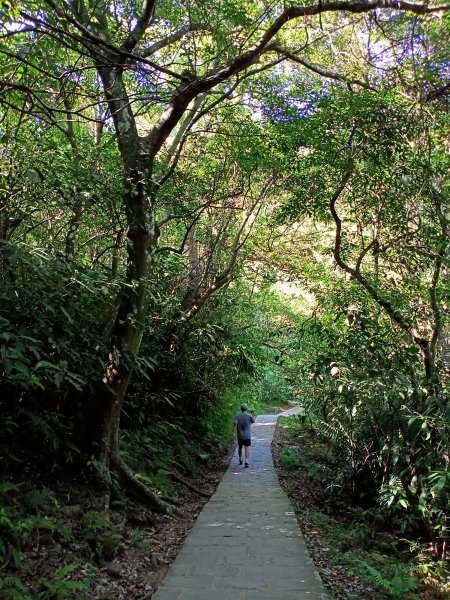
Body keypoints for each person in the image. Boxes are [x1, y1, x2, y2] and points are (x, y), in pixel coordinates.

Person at [233, 403, 256, 468]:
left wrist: (233, 433)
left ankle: (240, 459)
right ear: (247, 409)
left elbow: (234, 424)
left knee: (240, 447)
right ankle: (246, 461)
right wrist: (252, 415)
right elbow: (253, 421)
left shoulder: (237, 416)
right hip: (247, 435)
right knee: (247, 448)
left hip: (240, 435)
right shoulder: (249, 415)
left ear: (241, 409)